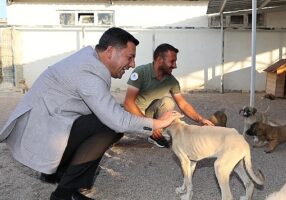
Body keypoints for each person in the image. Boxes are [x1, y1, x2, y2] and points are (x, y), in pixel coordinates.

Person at [0, 27, 180, 200]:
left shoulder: (89, 61)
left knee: (107, 118)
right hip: (41, 137)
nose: (132, 64)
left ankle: (61, 174)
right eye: (130, 57)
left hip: (50, 126)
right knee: (108, 126)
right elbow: (117, 121)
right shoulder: (89, 72)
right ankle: (64, 194)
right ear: (110, 51)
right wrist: (156, 124)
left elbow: (105, 107)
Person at [123, 43, 214, 148]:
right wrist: (148, 125)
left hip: (148, 115)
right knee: (113, 132)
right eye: (172, 61)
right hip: (133, 114)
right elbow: (128, 103)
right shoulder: (141, 72)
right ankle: (151, 130)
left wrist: (201, 119)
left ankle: (154, 135)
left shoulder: (172, 81)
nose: (175, 65)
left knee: (168, 102)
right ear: (160, 60)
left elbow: (183, 104)